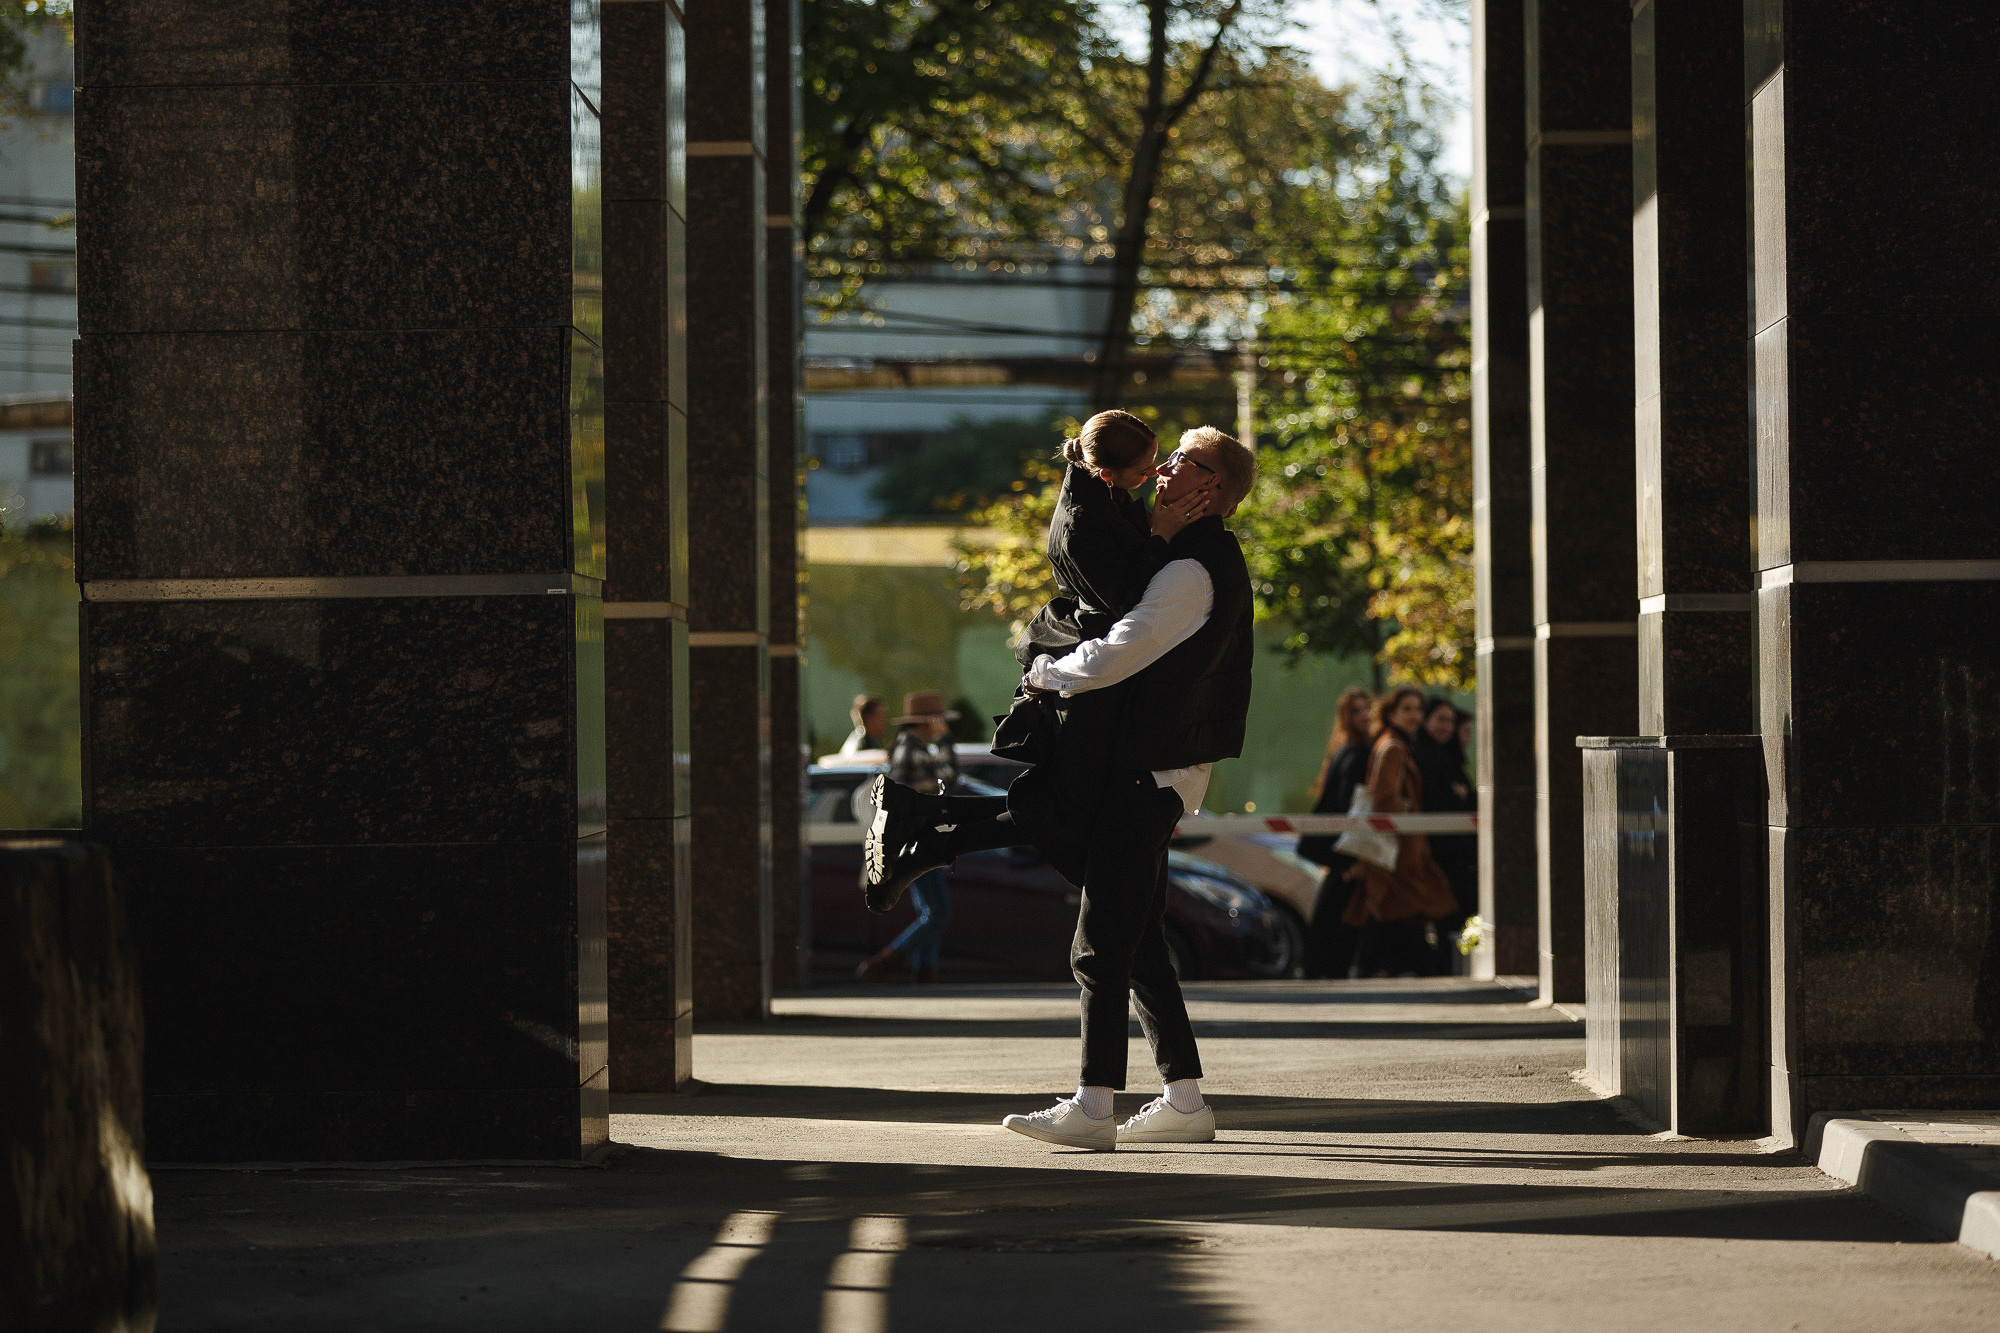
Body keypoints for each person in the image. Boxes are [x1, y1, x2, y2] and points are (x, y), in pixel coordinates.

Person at [862, 426, 1255, 1152]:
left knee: (1099, 946)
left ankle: (1094, 1106)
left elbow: (1120, 650)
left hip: (1144, 775)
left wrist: (1044, 673)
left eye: (1185, 462)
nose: (1165, 467)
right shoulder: (1181, 554)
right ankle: (1185, 1100)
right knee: (1137, 945)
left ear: (1213, 490)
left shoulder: (1194, 570)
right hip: (1149, 772)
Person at [1342, 687, 1459, 975]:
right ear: (1391, 713)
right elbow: (1383, 799)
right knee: (1409, 913)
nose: (1415, 716)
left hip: (1399, 854)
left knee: (1394, 919)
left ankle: (1374, 973)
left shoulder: (1393, 743)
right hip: (1399, 855)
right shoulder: (1393, 747)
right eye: (1406, 709)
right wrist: (1407, 812)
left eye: (1418, 709)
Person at [856, 691, 961, 984]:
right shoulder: (913, 751)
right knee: (939, 913)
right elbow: (949, 784)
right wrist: (945, 742)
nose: (942, 727)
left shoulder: (909, 748)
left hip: (913, 841)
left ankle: (925, 971)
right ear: (925, 723)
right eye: (938, 722)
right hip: (914, 843)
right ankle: (887, 960)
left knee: (932, 909)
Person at [1298, 686, 1373, 979]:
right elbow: (1345, 806)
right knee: (1338, 918)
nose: (1365, 715)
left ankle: (1320, 970)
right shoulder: (1354, 753)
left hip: (1338, 851)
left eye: (1367, 708)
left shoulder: (1344, 751)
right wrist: (1348, 860)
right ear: (1346, 717)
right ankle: (1324, 971)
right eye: (1356, 711)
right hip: (1344, 851)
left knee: (1332, 916)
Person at [1411, 696, 1476, 973]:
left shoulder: (1443, 756)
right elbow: (1439, 801)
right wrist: (1460, 798)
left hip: (1453, 851)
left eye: (1451, 721)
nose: (1447, 727)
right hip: (1442, 852)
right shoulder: (1425, 756)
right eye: (1441, 719)